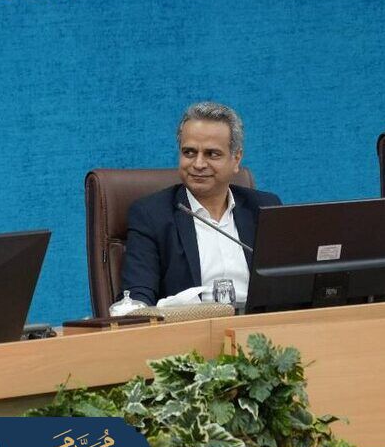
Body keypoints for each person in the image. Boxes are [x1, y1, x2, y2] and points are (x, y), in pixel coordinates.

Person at [121, 101, 282, 308]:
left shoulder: (264, 208)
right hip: (190, 325)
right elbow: (137, 298)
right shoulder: (151, 215)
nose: (198, 164)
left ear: (236, 159)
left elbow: (289, 285)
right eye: (189, 152)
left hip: (260, 325)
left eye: (212, 154)